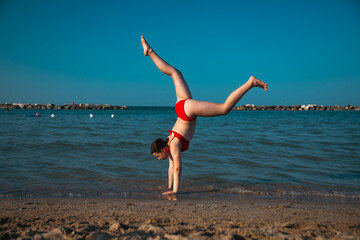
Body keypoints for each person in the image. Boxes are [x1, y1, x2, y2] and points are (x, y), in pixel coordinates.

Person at [141, 35, 268, 195]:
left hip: (187, 112)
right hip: (182, 107)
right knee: (175, 73)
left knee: (224, 109)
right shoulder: (170, 145)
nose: (158, 159)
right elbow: (171, 168)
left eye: (157, 156)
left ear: (163, 149)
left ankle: (250, 83)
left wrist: (174, 191)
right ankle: (150, 52)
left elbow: (178, 168)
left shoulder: (172, 145)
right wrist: (168, 187)